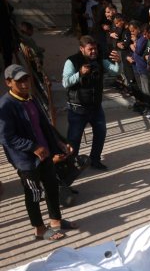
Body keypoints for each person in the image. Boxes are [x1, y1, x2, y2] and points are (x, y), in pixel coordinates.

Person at [0, 65, 77, 241]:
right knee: (33, 194)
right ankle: (39, 229)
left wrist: (59, 143)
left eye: (26, 79)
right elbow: (6, 137)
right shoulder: (5, 106)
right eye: (19, 81)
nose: (25, 84)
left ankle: (56, 221)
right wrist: (32, 147)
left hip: (45, 155)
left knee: (51, 188)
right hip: (26, 161)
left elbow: (44, 125)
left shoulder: (30, 99)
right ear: (8, 83)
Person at [62, 35, 121, 170]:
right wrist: (80, 73)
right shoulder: (72, 61)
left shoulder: (99, 60)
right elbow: (65, 82)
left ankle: (95, 159)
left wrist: (119, 62)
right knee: (74, 139)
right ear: (81, 49)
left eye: (95, 49)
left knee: (100, 133)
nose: (94, 52)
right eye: (90, 49)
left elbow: (116, 71)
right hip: (77, 108)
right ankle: (71, 165)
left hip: (95, 107)